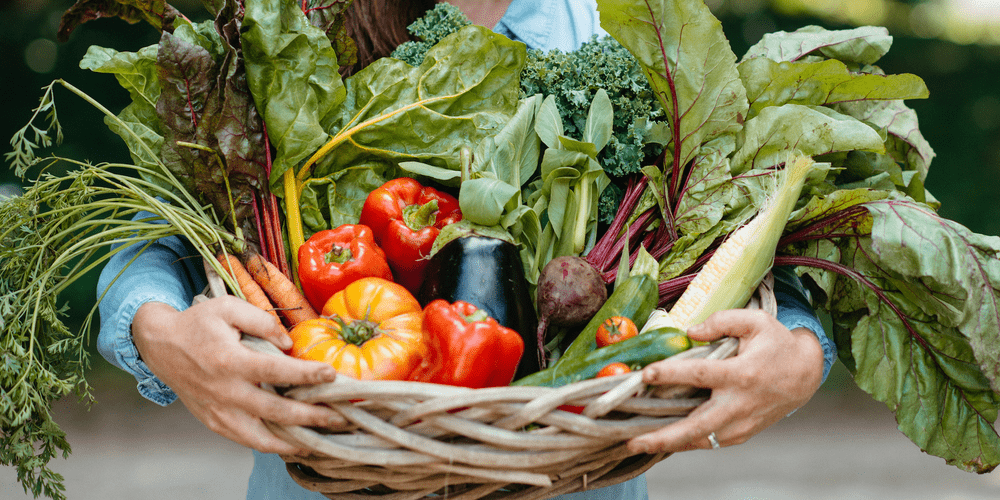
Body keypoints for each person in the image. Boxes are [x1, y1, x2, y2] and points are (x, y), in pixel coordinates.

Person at [97, 1, 837, 499]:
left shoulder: (635, 24)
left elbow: (753, 237)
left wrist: (800, 353)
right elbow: (149, 238)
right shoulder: (299, 19)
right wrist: (159, 334)